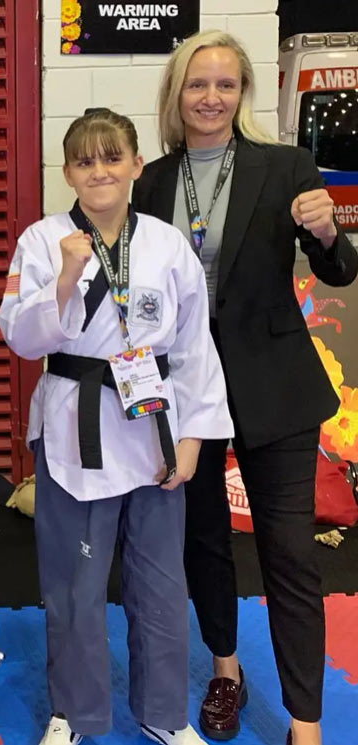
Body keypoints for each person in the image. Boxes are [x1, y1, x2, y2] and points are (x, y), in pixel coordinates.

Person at [132, 31, 358, 745]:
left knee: (289, 551)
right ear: (177, 94)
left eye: (226, 85)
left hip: (275, 386)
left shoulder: (286, 165)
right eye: (198, 84)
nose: (212, 97)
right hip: (185, 392)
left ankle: (306, 719)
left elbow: (340, 271)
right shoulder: (154, 181)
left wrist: (325, 233)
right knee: (204, 542)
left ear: (242, 94)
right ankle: (226, 670)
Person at [0, 108, 234, 745]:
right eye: (83, 160)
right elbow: (19, 336)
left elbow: (192, 348)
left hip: (152, 424)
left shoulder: (165, 242)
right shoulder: (42, 241)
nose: (98, 170)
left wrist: (192, 440)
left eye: (111, 157)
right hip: (74, 428)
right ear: (68, 172)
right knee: (73, 587)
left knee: (160, 584)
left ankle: (163, 715)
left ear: (135, 164)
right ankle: (76, 713)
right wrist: (68, 277)